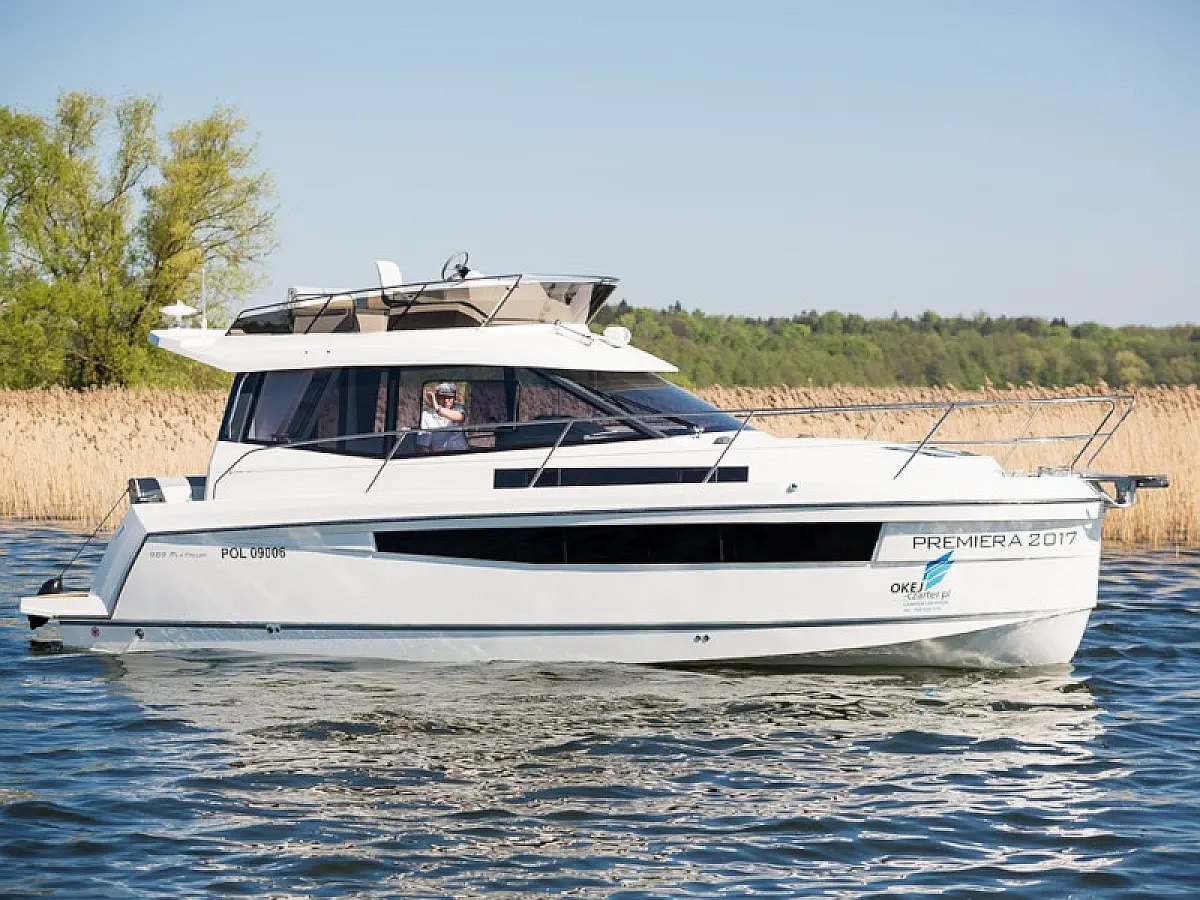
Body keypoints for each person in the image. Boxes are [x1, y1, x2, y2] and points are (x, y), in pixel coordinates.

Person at [418, 382, 468, 452]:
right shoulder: (426, 415)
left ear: (454, 398)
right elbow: (424, 446)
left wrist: (437, 408)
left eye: (449, 398)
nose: (446, 401)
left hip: (462, 452)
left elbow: (460, 417)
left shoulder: (458, 408)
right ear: (436, 397)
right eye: (442, 397)